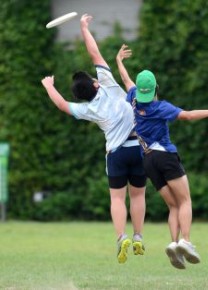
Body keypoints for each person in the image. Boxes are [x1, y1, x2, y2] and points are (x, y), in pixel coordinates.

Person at [116, 44, 208, 269]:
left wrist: (119, 61)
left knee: (173, 206)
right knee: (185, 201)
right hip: (165, 156)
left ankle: (174, 245)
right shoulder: (160, 107)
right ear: (155, 89)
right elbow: (189, 116)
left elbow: (126, 80)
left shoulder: (133, 98)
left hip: (148, 161)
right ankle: (187, 241)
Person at [41, 15, 147, 264]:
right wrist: (84, 28)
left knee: (117, 198)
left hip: (117, 154)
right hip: (138, 147)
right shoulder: (109, 83)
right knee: (139, 196)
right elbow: (94, 52)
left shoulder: (87, 109)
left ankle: (122, 238)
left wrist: (48, 85)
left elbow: (61, 104)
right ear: (96, 83)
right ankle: (139, 236)